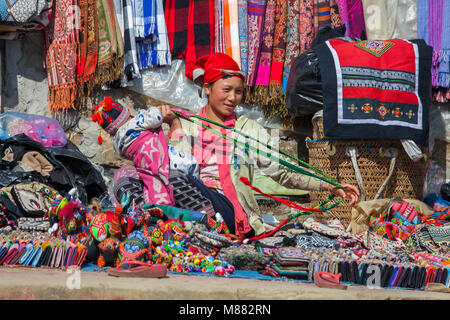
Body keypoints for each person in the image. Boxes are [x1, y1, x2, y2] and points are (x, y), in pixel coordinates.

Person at [159, 53, 360, 238]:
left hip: (229, 211)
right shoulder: (185, 124)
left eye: (238, 92)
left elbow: (283, 172)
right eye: (226, 90)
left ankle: (203, 223)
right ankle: (194, 222)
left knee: (175, 180)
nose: (232, 98)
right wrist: (175, 127)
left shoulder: (250, 129)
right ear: (207, 88)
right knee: (134, 177)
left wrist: (329, 185)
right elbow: (180, 167)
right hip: (191, 196)